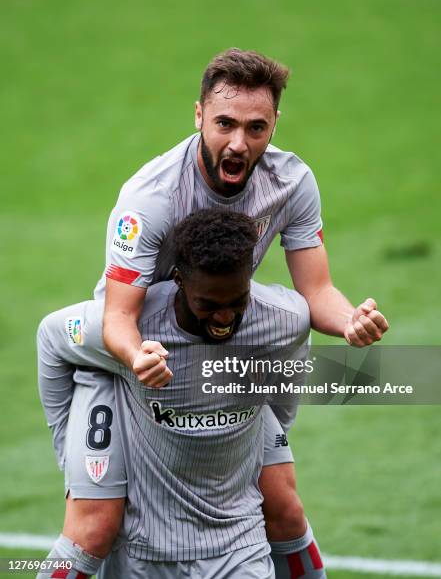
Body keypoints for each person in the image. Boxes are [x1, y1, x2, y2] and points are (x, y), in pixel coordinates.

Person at [38, 48, 388, 577]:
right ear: (199, 115)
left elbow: (317, 291)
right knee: (96, 526)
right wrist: (138, 356)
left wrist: (349, 322)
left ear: (274, 124)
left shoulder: (292, 183)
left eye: (256, 127)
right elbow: (116, 318)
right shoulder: (149, 197)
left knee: (284, 509)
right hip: (133, 357)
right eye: (224, 123)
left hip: (220, 347)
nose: (238, 143)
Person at [38, 210, 321, 579]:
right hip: (145, 548)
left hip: (239, 547)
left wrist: (267, 428)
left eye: (236, 301)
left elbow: (291, 357)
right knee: (91, 531)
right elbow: (51, 336)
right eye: (209, 304)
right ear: (179, 282)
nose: (223, 318)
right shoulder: (130, 328)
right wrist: (67, 453)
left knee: (285, 507)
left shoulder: (283, 318)